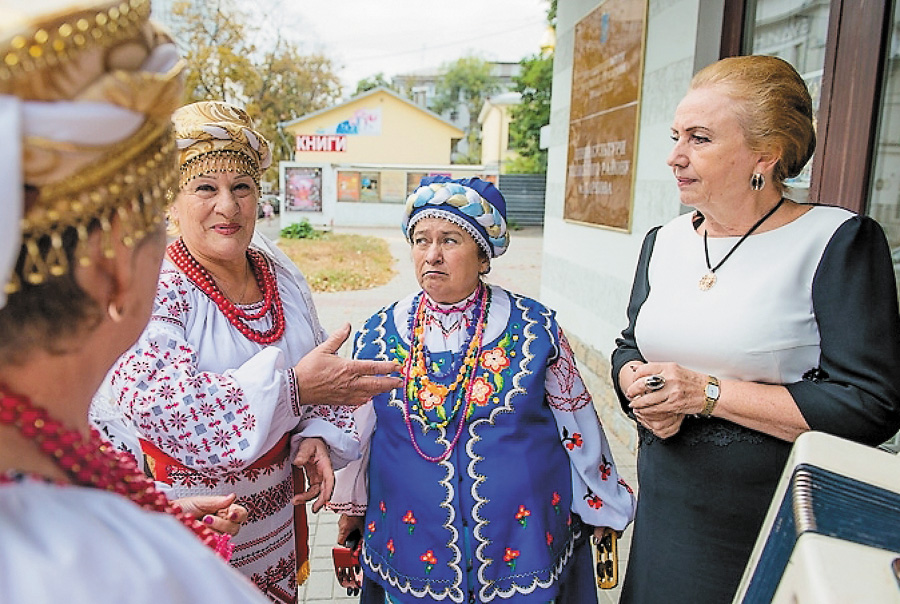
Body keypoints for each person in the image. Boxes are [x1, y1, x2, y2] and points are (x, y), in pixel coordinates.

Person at [0, 1, 271, 601]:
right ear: (112, 268)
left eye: (241, 188)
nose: (226, 207)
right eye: (158, 225)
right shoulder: (135, 578)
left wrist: (155, 510)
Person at [612, 55, 900, 603]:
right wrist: (635, 387)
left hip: (769, 515)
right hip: (668, 507)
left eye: (699, 139)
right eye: (676, 136)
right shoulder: (663, 241)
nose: (675, 156)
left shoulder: (835, 242)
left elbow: (870, 405)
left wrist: (706, 393)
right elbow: (631, 345)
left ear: (763, 156)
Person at [91, 100, 401, 602]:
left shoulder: (275, 269)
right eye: (205, 188)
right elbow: (161, 405)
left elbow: (314, 364)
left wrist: (316, 431)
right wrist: (295, 391)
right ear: (170, 201)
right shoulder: (152, 284)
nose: (228, 207)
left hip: (277, 514)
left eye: (242, 188)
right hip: (198, 519)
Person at [330, 176, 636, 603]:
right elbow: (359, 433)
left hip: (523, 541)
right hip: (410, 541)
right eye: (421, 240)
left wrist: (601, 504)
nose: (432, 255)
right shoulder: (379, 333)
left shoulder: (534, 328)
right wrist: (351, 507)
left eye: (450, 240)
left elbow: (577, 420)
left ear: (484, 256)